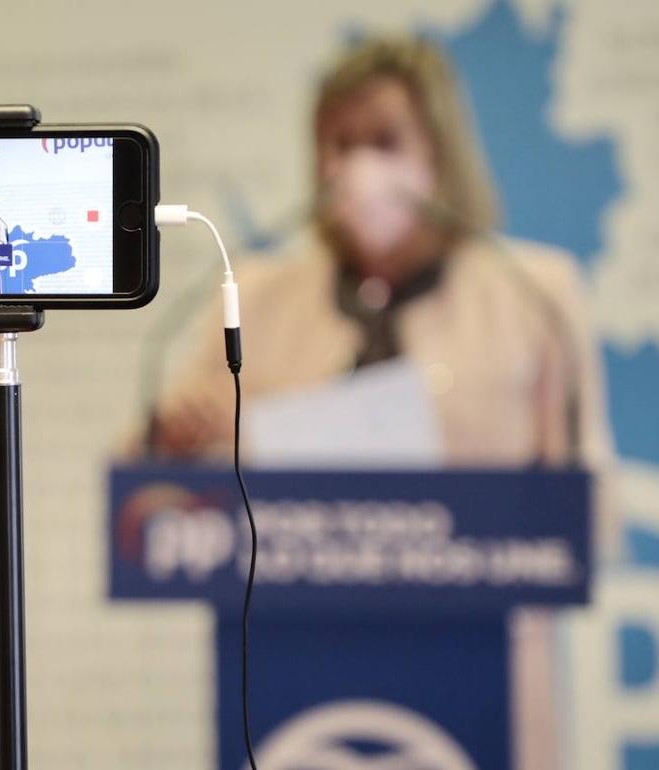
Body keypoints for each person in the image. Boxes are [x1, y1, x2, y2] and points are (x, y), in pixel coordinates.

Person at [148, 36, 616, 770]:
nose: (358, 167)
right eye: (339, 144)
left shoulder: (534, 294)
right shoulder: (255, 296)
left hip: (485, 682)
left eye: (385, 141)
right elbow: (162, 487)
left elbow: (591, 512)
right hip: (291, 672)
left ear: (439, 152)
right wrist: (171, 439)